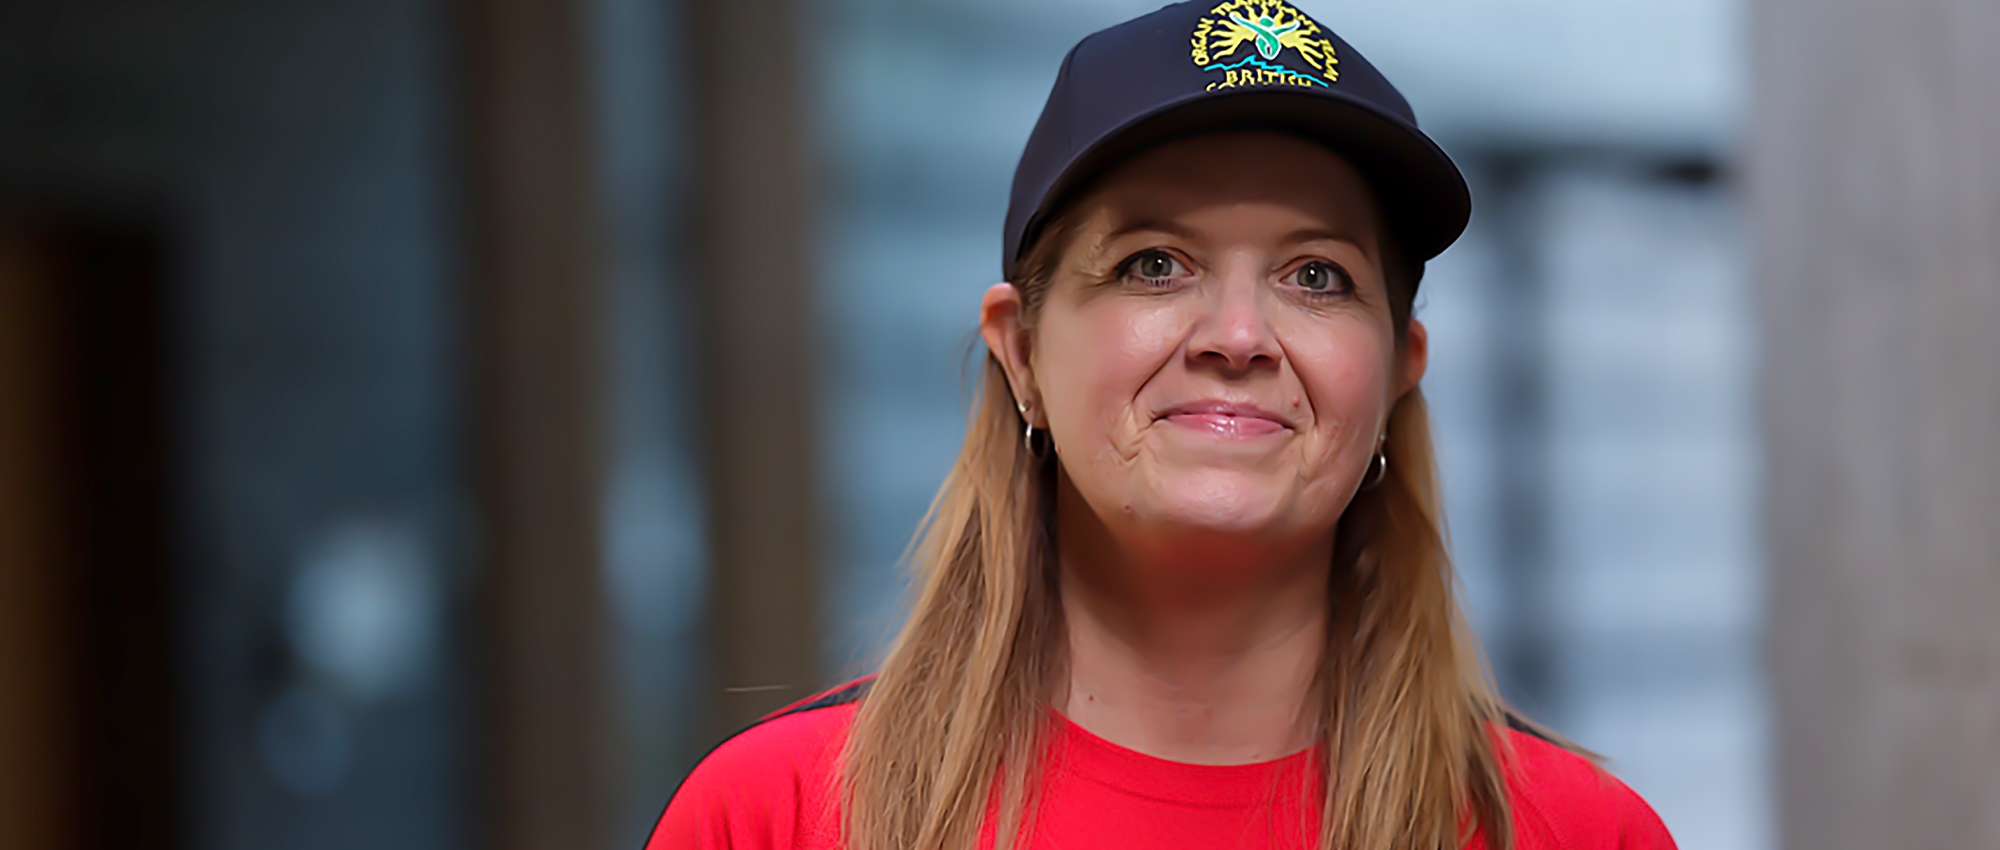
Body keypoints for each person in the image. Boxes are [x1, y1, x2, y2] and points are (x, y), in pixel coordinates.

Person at [651, 2, 1677, 848]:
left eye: (1315, 275)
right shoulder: (775, 815)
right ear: (1019, 353)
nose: (1237, 335)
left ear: (1398, 373)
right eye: (1152, 262)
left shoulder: (1575, 832)